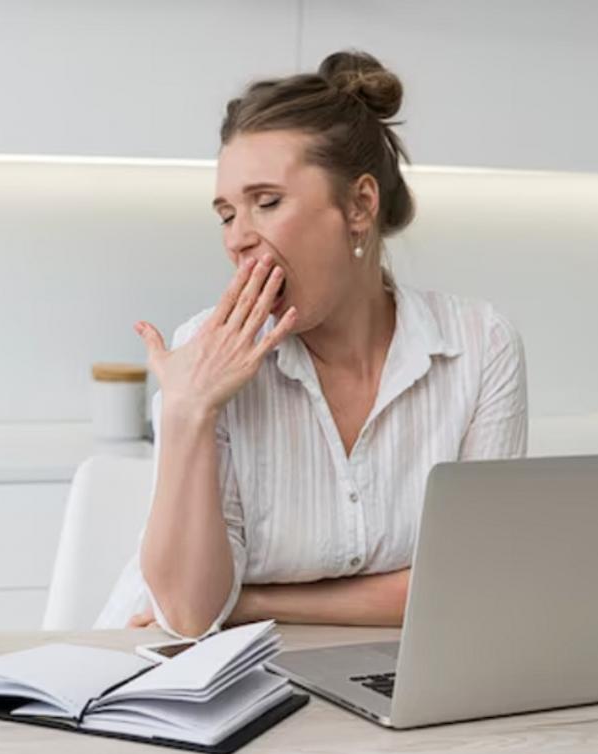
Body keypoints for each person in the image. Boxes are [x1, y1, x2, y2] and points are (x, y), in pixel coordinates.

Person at [96, 50, 528, 639]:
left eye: (267, 202)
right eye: (226, 214)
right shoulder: (203, 351)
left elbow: (473, 582)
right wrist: (186, 411)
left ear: (359, 205)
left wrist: (251, 602)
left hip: (380, 672)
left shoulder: (480, 347)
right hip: (184, 673)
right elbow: (192, 616)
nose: (238, 239)